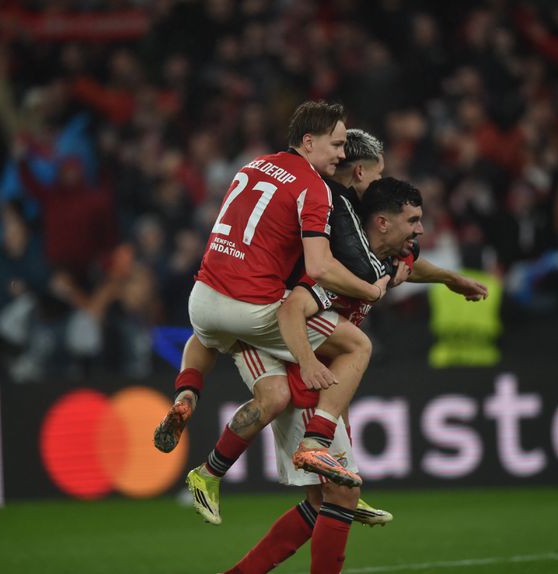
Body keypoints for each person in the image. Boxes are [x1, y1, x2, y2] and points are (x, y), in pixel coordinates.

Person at [222, 177, 488, 573]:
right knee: (344, 492)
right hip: (306, 372)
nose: (419, 229)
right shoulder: (340, 264)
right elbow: (293, 309)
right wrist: (308, 366)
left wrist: (451, 279)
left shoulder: (387, 256)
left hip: (325, 373)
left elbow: (410, 269)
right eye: (412, 219)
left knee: (324, 501)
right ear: (381, 222)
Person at [154, 102, 390, 487]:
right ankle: (318, 440)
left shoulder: (253, 165)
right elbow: (319, 268)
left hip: (203, 296)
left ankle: (186, 396)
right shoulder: (314, 188)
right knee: (356, 345)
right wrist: (370, 291)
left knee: (214, 342)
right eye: (336, 144)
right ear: (308, 142)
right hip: (254, 306)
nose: (342, 154)